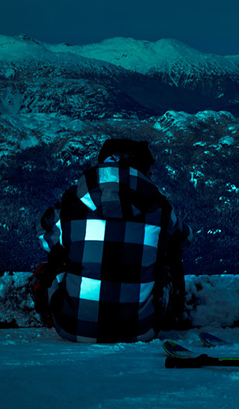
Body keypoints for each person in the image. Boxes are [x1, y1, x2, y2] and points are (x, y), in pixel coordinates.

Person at [33, 138, 192, 343]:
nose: (151, 175)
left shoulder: (70, 202)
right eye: (148, 169)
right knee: (169, 263)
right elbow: (184, 240)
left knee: (47, 268)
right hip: (141, 331)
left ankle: (70, 310)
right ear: (139, 168)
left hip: (72, 328)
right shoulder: (159, 207)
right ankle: (164, 313)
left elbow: (45, 234)